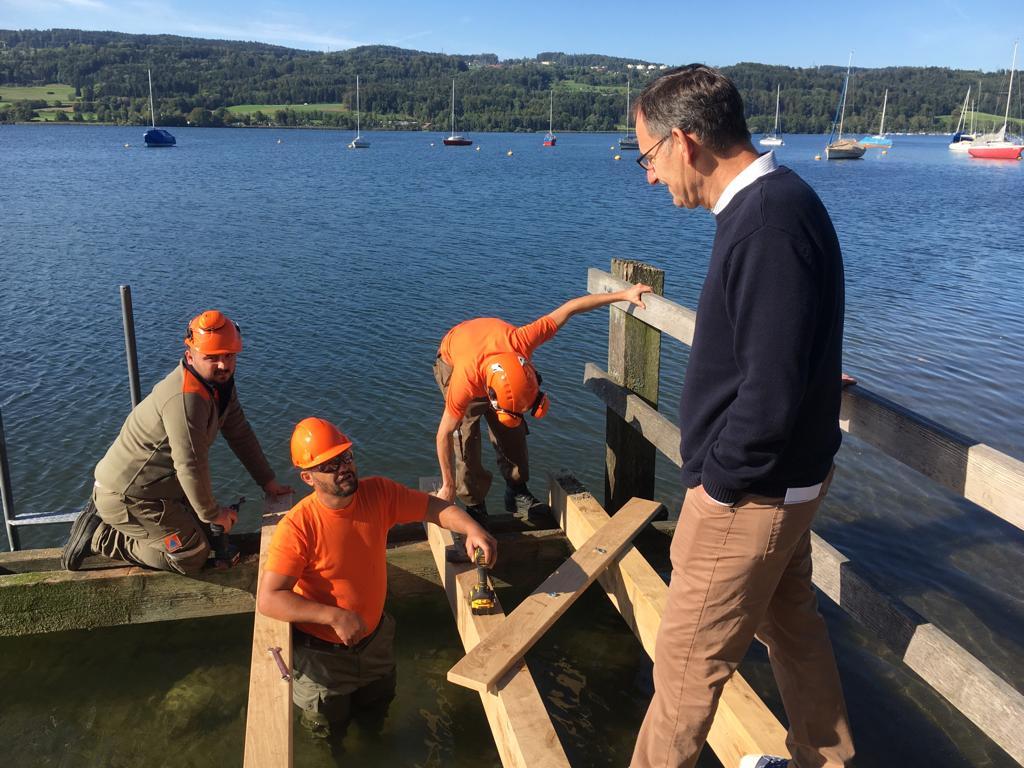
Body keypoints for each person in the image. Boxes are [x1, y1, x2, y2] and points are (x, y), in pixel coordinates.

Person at [629, 65, 855, 768]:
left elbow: (768, 395)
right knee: (794, 630)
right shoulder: (781, 204)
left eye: (648, 156)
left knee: (682, 678)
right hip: (785, 485)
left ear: (685, 141)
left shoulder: (764, 225)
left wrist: (716, 487)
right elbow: (785, 348)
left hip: (748, 496)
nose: (648, 177)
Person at [256, 416, 496, 740]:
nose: (343, 467)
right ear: (308, 477)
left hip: (376, 643)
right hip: (322, 660)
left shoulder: (378, 494)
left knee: (377, 713)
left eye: (346, 457)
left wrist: (472, 528)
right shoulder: (299, 527)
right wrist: (333, 616)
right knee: (328, 731)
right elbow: (270, 598)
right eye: (329, 464)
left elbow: (433, 508)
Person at [61, 310, 292, 573]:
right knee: (191, 554)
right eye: (212, 358)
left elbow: (239, 432)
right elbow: (190, 464)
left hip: (159, 490)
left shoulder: (219, 385)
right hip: (129, 496)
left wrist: (268, 481)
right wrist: (213, 513)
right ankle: (101, 536)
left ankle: (144, 528)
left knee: (206, 532)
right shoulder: (187, 399)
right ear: (190, 355)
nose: (223, 365)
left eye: (229, 355)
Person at [433, 284, 651, 524]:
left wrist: (623, 295)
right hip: (455, 358)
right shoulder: (464, 381)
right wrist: (447, 485)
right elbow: (443, 434)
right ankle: (475, 506)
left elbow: (571, 308)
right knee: (467, 438)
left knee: (512, 429)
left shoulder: (524, 340)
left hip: (492, 354)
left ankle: (516, 491)